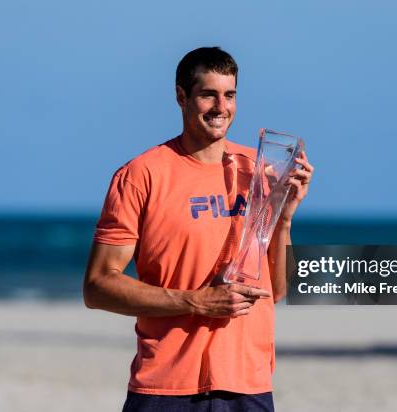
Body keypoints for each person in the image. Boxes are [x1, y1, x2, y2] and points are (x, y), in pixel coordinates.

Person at [83, 47, 313, 411]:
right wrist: (196, 301)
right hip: (165, 388)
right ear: (181, 96)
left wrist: (283, 217)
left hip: (246, 386)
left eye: (230, 95)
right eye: (208, 94)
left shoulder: (256, 171)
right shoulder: (142, 175)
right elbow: (97, 287)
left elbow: (276, 290)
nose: (221, 107)